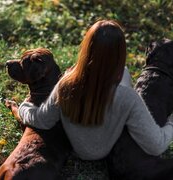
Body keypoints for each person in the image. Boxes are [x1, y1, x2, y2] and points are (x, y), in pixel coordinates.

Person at [17, 20, 173, 160]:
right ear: (120, 53)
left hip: (79, 150)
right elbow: (156, 146)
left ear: (86, 48)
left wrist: (24, 107)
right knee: (124, 74)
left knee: (124, 73)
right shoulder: (128, 97)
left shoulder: (65, 84)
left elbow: (43, 120)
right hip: (109, 149)